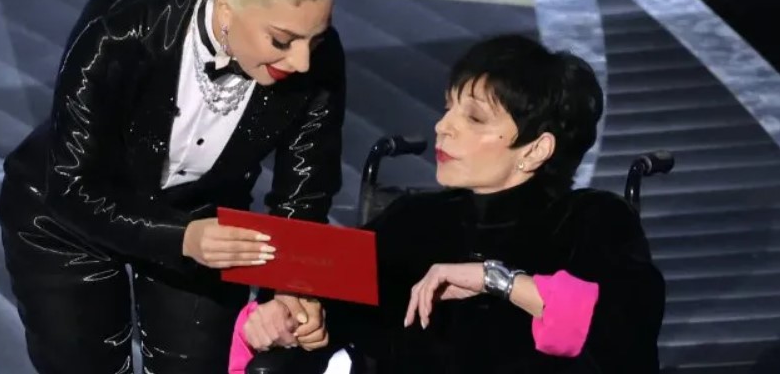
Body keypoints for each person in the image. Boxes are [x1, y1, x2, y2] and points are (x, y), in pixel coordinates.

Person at [0, 0, 354, 374]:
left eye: (314, 39)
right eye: (281, 40)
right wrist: (180, 238)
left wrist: (290, 291)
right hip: (69, 220)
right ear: (226, 4)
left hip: (206, 225)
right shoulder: (121, 29)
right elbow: (73, 184)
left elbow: (303, 195)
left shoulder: (319, 64)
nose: (300, 61)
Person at [234, 35, 666, 373]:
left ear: (536, 149)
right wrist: (284, 317)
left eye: (474, 117)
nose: (443, 126)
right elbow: (320, 305)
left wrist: (495, 280)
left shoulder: (592, 221)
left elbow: (621, 332)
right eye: (448, 108)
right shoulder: (413, 222)